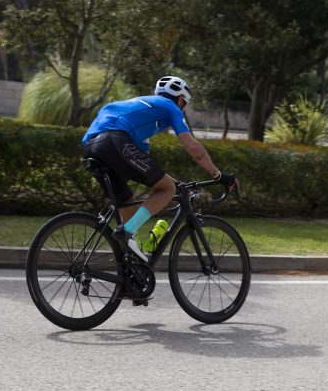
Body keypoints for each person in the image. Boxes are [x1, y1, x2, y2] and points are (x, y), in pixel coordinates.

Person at [82, 75, 237, 261]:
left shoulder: (143, 110)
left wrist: (177, 184)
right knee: (166, 190)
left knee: (128, 203)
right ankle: (127, 231)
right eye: (184, 104)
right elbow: (194, 149)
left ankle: (129, 272)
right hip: (114, 139)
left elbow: (147, 168)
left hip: (92, 146)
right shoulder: (171, 107)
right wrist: (218, 175)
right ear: (181, 100)